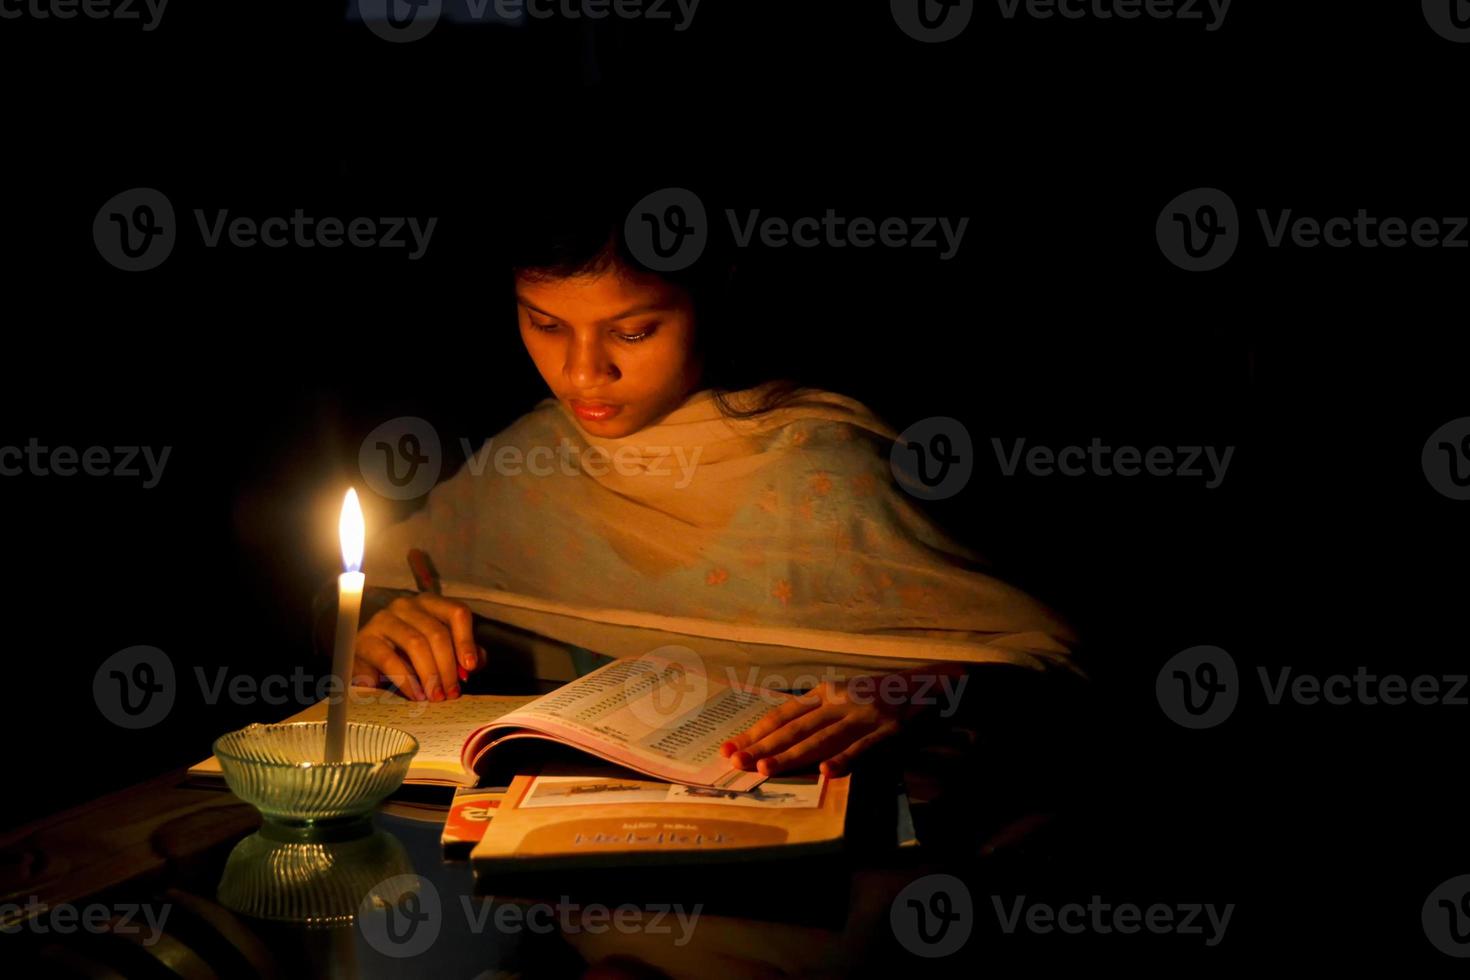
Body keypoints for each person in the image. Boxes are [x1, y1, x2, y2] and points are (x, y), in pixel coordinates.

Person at [324, 180, 1080, 779]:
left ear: (712, 297)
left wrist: (909, 691)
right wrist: (382, 637)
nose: (582, 372)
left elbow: (1052, 658)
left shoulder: (823, 472)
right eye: (544, 323)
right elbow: (384, 597)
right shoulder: (530, 458)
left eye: (632, 331)